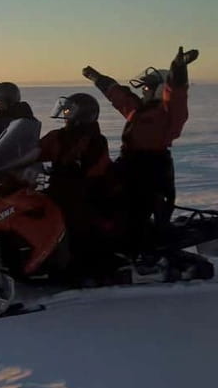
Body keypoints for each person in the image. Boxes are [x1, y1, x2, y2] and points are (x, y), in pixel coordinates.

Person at [82, 46, 198, 254]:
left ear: (160, 89)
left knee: (136, 211)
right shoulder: (138, 109)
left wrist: (178, 70)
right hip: (129, 163)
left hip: (152, 168)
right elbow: (119, 96)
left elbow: (177, 94)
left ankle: (137, 254)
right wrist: (98, 78)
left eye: (147, 88)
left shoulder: (169, 113)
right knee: (97, 193)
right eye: (143, 88)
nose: (143, 91)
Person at [36, 93, 113, 278]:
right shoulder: (58, 136)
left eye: (69, 109)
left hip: (85, 190)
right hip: (59, 188)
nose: (65, 112)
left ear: (83, 114)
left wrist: (70, 170)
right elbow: (36, 150)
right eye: (66, 108)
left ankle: (78, 266)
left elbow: (95, 170)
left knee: (75, 219)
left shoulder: (94, 140)